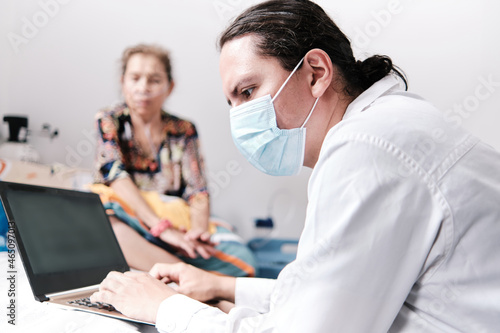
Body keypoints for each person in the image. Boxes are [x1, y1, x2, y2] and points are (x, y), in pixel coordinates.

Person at [91, 1, 500, 332]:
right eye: (231, 102)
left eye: (248, 91)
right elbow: (329, 289)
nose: (239, 117)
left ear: (316, 72)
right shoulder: (388, 122)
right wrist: (222, 286)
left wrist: (165, 309)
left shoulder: (365, 150)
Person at [92, 44, 256, 277]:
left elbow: (198, 190)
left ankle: (181, 273)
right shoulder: (109, 120)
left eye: (154, 80)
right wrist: (160, 228)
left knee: (245, 262)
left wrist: (197, 233)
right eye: (135, 78)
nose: (143, 88)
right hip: (136, 223)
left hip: (177, 229)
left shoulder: (183, 130)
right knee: (108, 224)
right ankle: (190, 278)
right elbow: (114, 175)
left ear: (170, 87)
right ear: (123, 82)